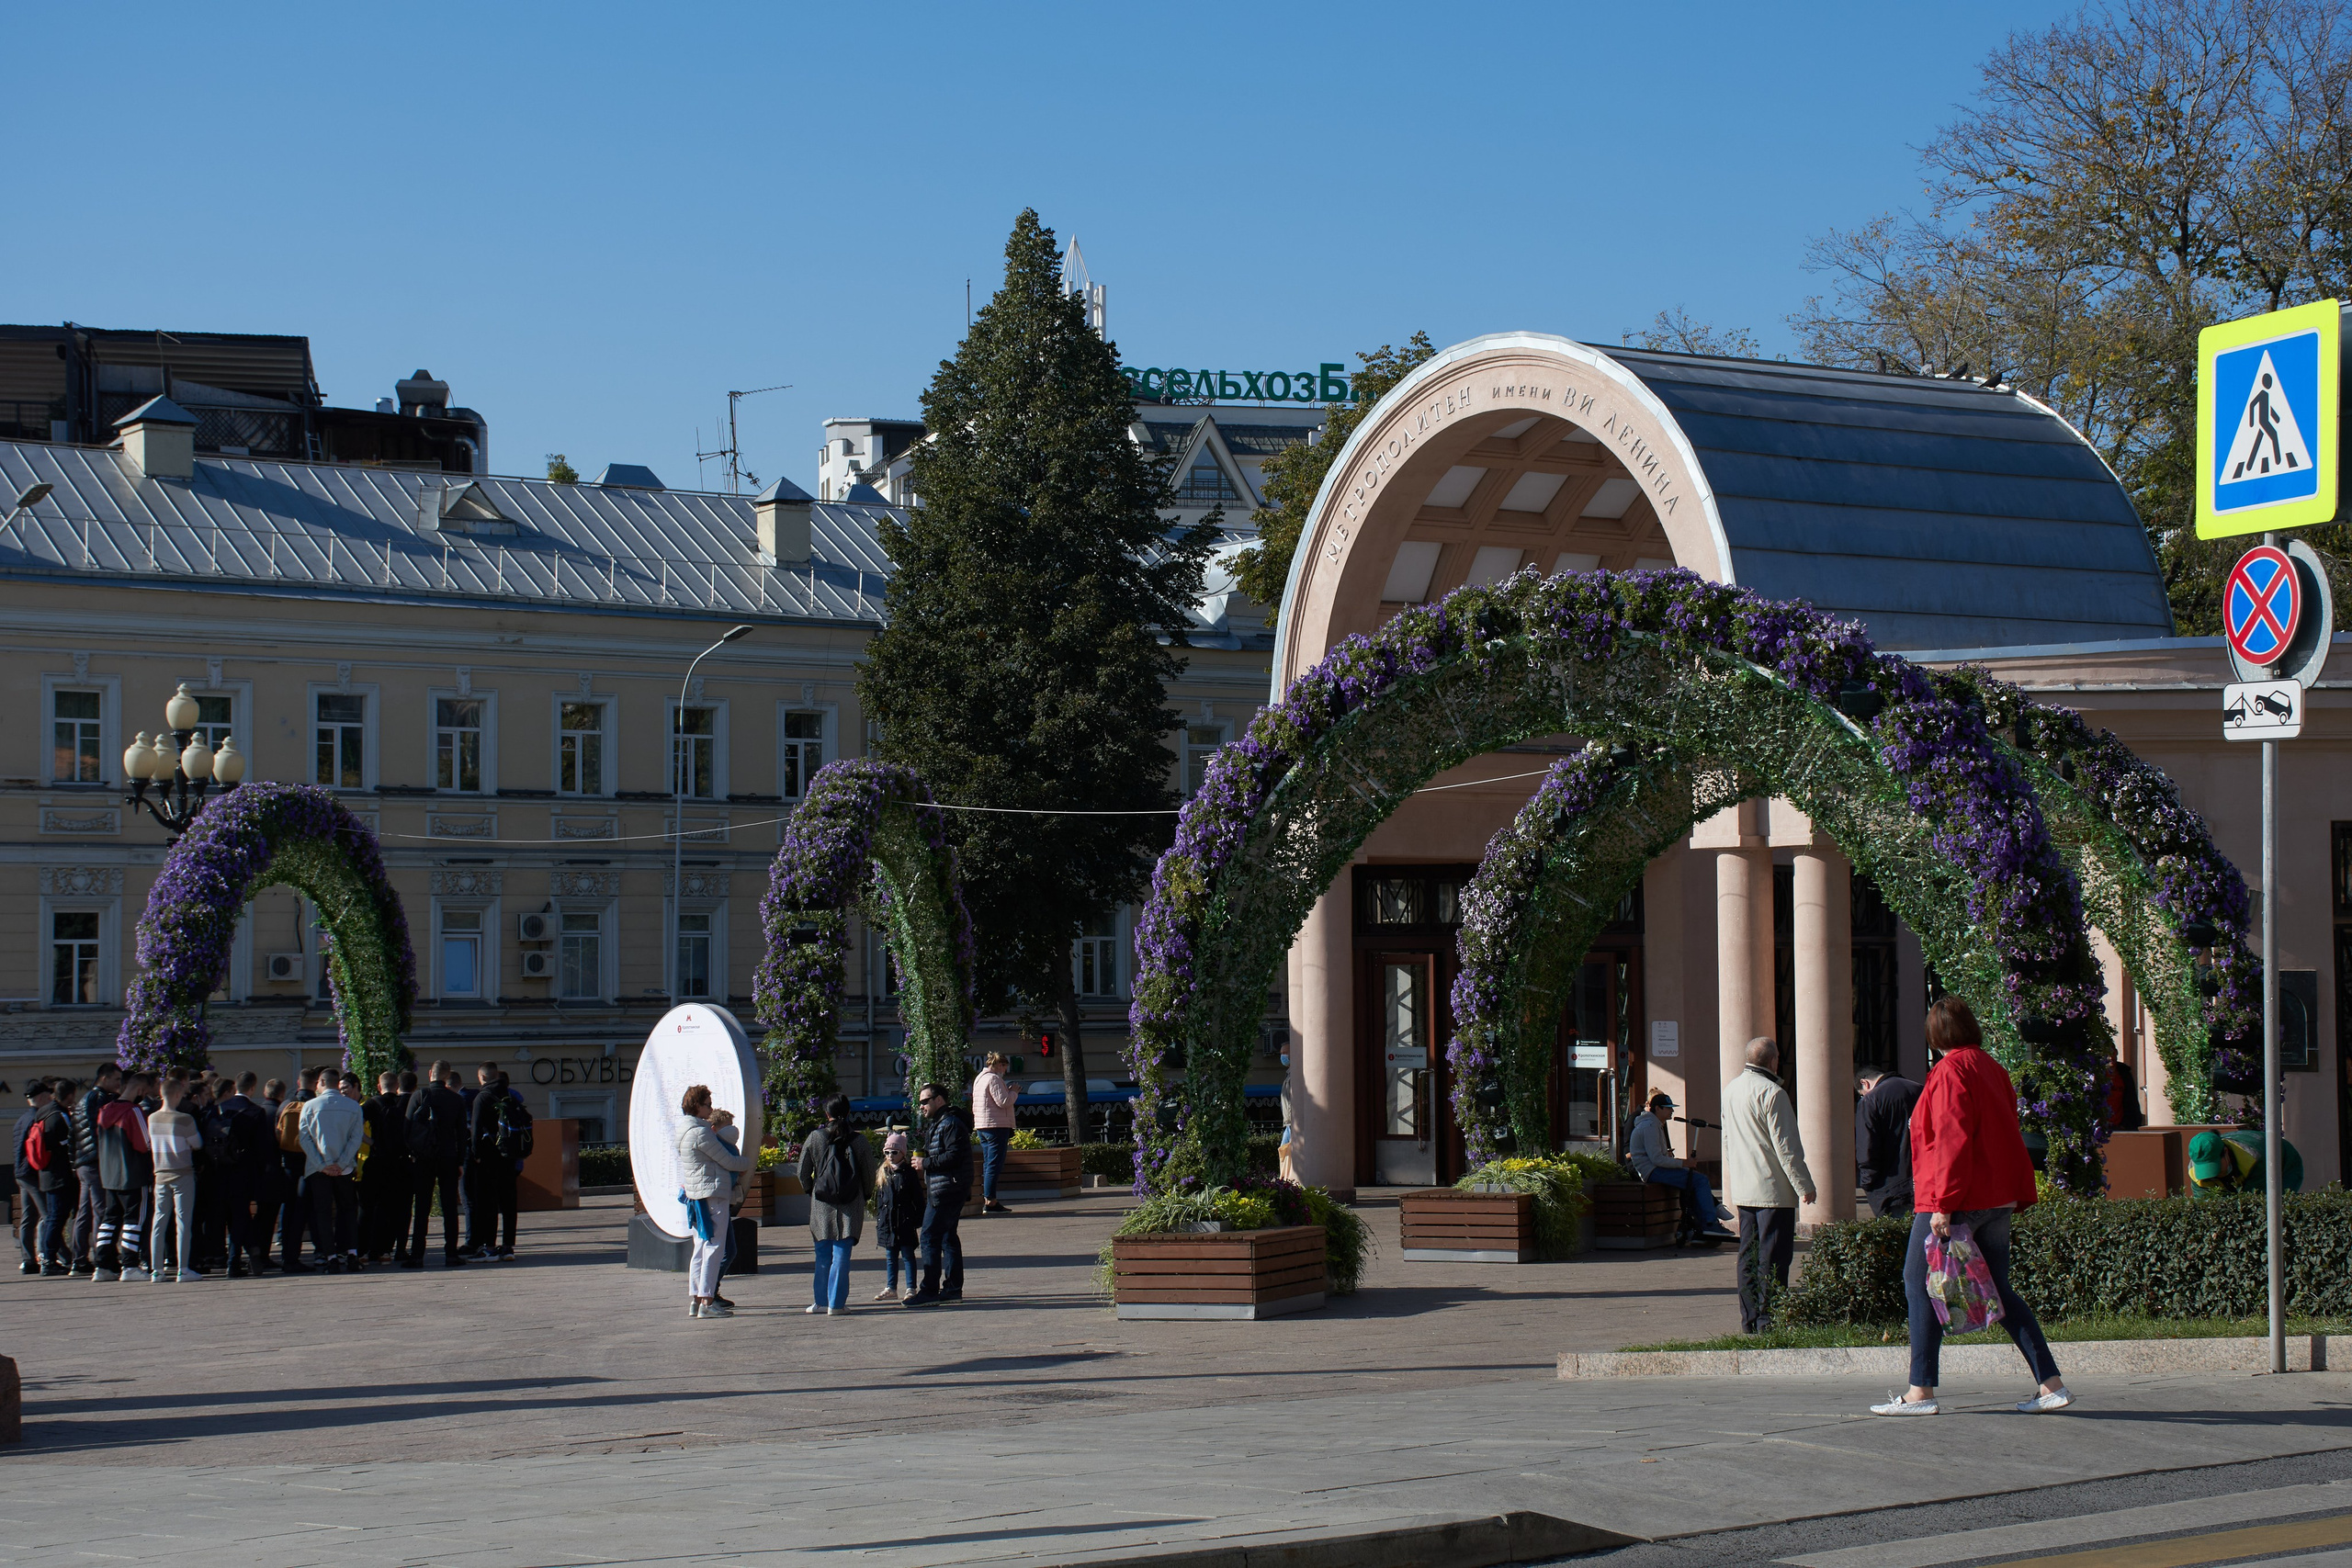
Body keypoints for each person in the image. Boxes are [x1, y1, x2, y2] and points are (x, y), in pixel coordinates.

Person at [1871, 996, 2072, 1417]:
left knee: (1917, 1281)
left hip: (1955, 1196)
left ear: (1934, 1035)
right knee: (1998, 1290)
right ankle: (2050, 1384)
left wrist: (1943, 1204)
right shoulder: (1991, 1067)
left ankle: (1920, 1392)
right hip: (1998, 1195)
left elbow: (1950, 1141)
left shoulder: (1948, 1072)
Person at [1722, 1037, 1815, 1335]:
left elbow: (1727, 1141)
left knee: (1747, 1255)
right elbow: (1786, 1147)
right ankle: (1769, 1321)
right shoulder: (1773, 1093)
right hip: (1773, 1191)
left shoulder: (1732, 1089)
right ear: (1774, 1061)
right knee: (1773, 1257)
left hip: (1745, 1188)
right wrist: (1804, 1185)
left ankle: (1749, 1321)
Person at [799, 1094, 878, 1314]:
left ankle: (820, 1302)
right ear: (849, 1113)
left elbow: (802, 1171)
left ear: (827, 1114)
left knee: (822, 1254)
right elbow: (869, 1174)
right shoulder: (859, 1141)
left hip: (821, 1202)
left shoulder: (815, 1138)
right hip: (851, 1203)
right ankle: (836, 1304)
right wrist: (865, 1193)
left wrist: (811, 1190)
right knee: (842, 1255)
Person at [675, 1083, 749, 1318]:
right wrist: (748, 1163)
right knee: (714, 1247)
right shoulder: (701, 1132)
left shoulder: (684, 1130)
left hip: (696, 1196)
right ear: (696, 1106)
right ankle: (707, 1302)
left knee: (700, 1247)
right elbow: (727, 1160)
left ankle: (696, 1301)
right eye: (707, 1104)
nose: (711, 1109)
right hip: (713, 1193)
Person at [1628, 1090, 1734, 1243]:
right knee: (1700, 1180)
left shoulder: (1654, 1124)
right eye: (1668, 1107)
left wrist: (1680, 1163)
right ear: (1657, 1108)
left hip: (1654, 1169)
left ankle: (1700, 1228)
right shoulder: (1650, 1126)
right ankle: (1710, 1223)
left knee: (1693, 1182)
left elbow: (1658, 1157)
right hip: (1652, 1171)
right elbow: (1657, 1159)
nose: (1672, 1111)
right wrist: (1684, 1163)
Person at [905, 1081, 972, 1308]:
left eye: (925, 1101)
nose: (921, 1106)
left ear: (939, 1100)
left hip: (947, 1189)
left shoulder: (950, 1124)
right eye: (920, 1102)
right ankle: (952, 1289)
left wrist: (926, 1163)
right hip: (946, 1187)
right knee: (947, 1237)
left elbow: (954, 1156)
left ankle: (930, 1291)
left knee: (929, 1237)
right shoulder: (941, 1123)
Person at [300, 1071, 366, 1273]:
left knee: (324, 1213)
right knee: (348, 1211)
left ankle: (330, 1257)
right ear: (338, 1084)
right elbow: (356, 1138)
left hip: (319, 1169)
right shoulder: (353, 1106)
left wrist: (323, 1165)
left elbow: (305, 1139)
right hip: (344, 1169)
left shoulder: (310, 1106)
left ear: (320, 1083)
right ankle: (352, 1254)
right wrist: (342, 1162)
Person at [404, 1067, 470, 1267]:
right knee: (450, 1207)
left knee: (422, 1206)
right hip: (448, 1157)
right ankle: (451, 1253)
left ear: (430, 1072)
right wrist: (460, 1161)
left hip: (424, 1158)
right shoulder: (456, 1099)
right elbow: (461, 1135)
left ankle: (417, 1255)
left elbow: (406, 1129)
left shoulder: (419, 1095)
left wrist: (413, 1154)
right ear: (447, 1074)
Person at [93, 1071, 154, 1280]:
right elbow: (145, 1144)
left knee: (109, 1219)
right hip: (133, 1173)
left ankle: (102, 1266)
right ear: (139, 1090)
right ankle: (130, 1266)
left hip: (109, 1174)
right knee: (133, 1220)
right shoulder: (134, 1111)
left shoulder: (103, 1110)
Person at [212, 1074, 275, 1277]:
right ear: (252, 1088)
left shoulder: (217, 1110)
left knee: (227, 1216)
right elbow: (263, 1149)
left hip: (219, 1171)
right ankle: (236, 1260)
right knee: (240, 1216)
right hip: (244, 1172)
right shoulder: (255, 1112)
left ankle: (237, 1256)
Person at [467, 1067, 527, 1260]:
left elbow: (475, 1129)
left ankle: (489, 1247)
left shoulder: (482, 1097)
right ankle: (508, 1246)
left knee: (488, 1202)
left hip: (488, 1156)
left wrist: (476, 1154)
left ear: (483, 1077)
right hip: (510, 1156)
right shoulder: (511, 1096)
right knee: (509, 1202)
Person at [148, 1077, 205, 1281]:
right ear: (178, 1094)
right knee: (183, 1222)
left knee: (159, 1221)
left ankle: (157, 1270)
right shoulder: (184, 1119)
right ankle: (183, 1268)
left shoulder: (152, 1118)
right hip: (182, 1173)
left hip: (160, 1173)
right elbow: (197, 1143)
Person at [69, 1062, 122, 1274]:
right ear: (104, 1078)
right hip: (95, 1162)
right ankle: (103, 1257)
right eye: (117, 1079)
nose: (119, 1084)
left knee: (84, 1212)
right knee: (101, 1210)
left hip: (84, 1163)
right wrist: (104, 1159)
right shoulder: (98, 1099)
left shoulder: (85, 1099)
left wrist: (74, 1162)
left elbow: (73, 1135)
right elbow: (96, 1132)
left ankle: (79, 1259)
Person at [1855, 1065, 1924, 1219]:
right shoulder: (1921, 1090)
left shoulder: (1870, 1101)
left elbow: (1867, 1148)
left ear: (1864, 1083)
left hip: (1891, 1187)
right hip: (1924, 1182)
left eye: (1861, 1094)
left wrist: (1867, 1182)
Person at [362, 1071, 413, 1262]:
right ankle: (396, 1248)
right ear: (397, 1086)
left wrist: (370, 1141)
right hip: (401, 1162)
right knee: (400, 1207)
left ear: (378, 1086)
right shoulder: (403, 1104)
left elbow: (355, 1125)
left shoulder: (371, 1104)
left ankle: (372, 1248)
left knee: (376, 1207)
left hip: (378, 1160)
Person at [26, 1080, 75, 1275]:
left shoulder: (43, 1113)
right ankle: (48, 1259)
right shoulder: (58, 1116)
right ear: (69, 1095)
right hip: (59, 1175)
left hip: (46, 1173)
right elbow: (68, 1147)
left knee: (54, 1217)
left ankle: (48, 1257)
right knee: (56, 1217)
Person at [274, 1067, 321, 1273]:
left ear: (298, 1082)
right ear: (316, 1083)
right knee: (306, 1211)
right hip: (308, 1164)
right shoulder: (315, 1105)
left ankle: (287, 1254)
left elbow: (277, 1133)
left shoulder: (285, 1105)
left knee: (289, 1209)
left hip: (287, 1163)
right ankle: (306, 1255)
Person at [872, 1130, 922, 1302]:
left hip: (905, 1221)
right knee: (890, 1256)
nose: (890, 1156)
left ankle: (911, 1288)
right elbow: (880, 1200)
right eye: (887, 1152)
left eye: (894, 1152)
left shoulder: (908, 1173)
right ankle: (891, 1287)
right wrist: (880, 1220)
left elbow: (918, 1198)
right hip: (888, 1222)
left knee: (908, 1255)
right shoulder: (883, 1173)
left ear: (903, 1153)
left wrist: (917, 1219)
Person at [2186, 1128, 2303, 1198]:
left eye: (2215, 1167)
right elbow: (2203, 1201)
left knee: (2276, 1205)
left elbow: (2255, 1200)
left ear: (2226, 1152)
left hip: (2285, 1163)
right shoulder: (2195, 1170)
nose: (2213, 1175)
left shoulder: (2255, 1157)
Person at [13, 1078, 55, 1274]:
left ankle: (29, 1260)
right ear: (41, 1097)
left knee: (28, 1217)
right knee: (48, 1215)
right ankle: (49, 1256)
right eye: (48, 1096)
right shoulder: (37, 1118)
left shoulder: (22, 1119)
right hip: (32, 1172)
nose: (51, 1099)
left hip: (20, 1172)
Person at [971, 1052, 1019, 1213]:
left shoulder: (979, 1078)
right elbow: (1003, 1101)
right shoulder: (994, 1079)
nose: (1005, 1071)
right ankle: (990, 1201)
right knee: (994, 1164)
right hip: (996, 1126)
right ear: (999, 1065)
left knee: (988, 1162)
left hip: (982, 1125)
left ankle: (988, 1199)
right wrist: (1014, 1091)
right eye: (1004, 1067)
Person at [2107, 1046, 2146, 1134]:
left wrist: (2128, 1125)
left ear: (2116, 1053)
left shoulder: (2124, 1075)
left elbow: (2131, 1100)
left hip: (2121, 1126)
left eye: (2113, 1053)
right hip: (2102, 1127)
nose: (2111, 1057)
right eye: (2107, 1054)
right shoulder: (2097, 1076)